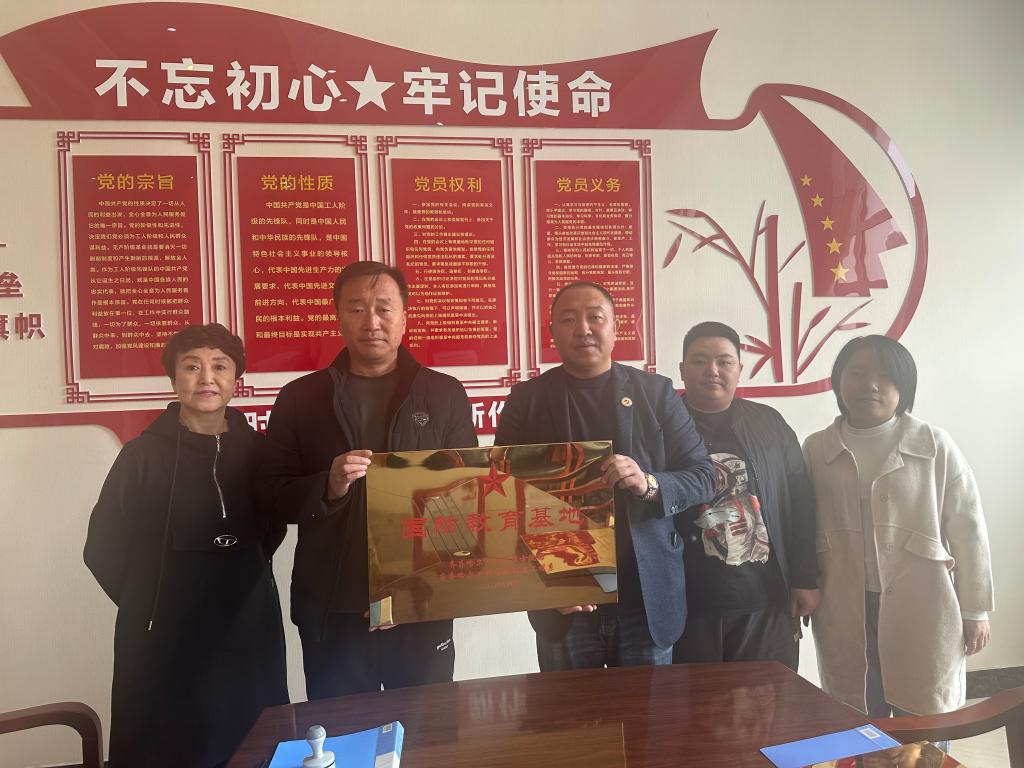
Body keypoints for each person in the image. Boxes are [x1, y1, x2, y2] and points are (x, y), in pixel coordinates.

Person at [262, 261, 477, 698]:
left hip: (420, 602)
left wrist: (418, 586)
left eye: (383, 308)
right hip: (334, 606)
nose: (371, 322)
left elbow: (469, 496)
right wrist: (328, 486)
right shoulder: (301, 398)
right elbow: (273, 496)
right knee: (342, 728)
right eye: (357, 309)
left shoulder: (444, 394)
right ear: (339, 317)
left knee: (427, 726)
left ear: (404, 317)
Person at [84, 323, 288, 768]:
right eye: (192, 367)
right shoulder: (141, 456)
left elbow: (274, 528)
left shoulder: (260, 452)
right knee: (168, 745)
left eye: (220, 366)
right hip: (164, 634)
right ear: (174, 379)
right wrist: (147, 602)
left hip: (246, 627)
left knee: (252, 741)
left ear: (236, 379)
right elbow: (101, 545)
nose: (206, 378)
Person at [495, 281, 715, 669]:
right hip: (566, 597)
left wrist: (649, 484)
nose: (583, 329)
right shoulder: (527, 400)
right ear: (552, 333)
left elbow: (703, 477)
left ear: (616, 328)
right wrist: (544, 584)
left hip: (645, 600)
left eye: (595, 317)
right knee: (573, 709)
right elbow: (500, 496)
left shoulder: (655, 393)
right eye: (568, 319)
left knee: (648, 708)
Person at [803, 335, 994, 717]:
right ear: (839, 381)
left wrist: (976, 610)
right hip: (845, 602)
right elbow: (802, 527)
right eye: (857, 373)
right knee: (855, 715)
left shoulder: (934, 444)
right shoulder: (816, 448)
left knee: (925, 717)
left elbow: (969, 531)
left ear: (904, 386)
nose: (870, 384)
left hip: (924, 603)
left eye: (885, 376)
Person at [673, 322, 819, 670]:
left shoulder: (769, 425)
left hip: (765, 602)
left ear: (739, 368)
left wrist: (805, 578)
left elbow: (800, 502)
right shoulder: (661, 427)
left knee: (767, 699)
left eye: (724, 361)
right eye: (700, 361)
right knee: (693, 701)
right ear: (682, 369)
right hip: (686, 606)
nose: (712, 370)